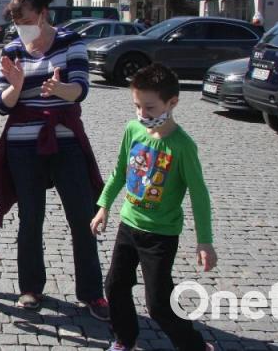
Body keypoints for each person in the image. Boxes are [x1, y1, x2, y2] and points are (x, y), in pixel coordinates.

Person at [0, 0, 108, 317]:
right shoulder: (10, 50)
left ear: (42, 13)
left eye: (24, 19)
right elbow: (0, 104)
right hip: (24, 146)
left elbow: (81, 89)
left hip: (65, 142)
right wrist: (17, 85)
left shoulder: (71, 42)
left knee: (82, 217)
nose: (19, 26)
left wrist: (60, 90)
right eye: (14, 20)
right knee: (30, 219)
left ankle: (92, 292)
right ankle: (30, 288)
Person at [91, 63, 216, 351]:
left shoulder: (182, 146)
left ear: (172, 103)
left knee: (159, 303)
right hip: (128, 225)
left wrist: (204, 241)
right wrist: (104, 206)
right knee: (114, 286)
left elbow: (199, 195)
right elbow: (120, 171)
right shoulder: (133, 129)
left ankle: (195, 347)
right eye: (137, 106)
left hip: (160, 234)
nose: (142, 114)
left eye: (149, 108)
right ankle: (125, 339)